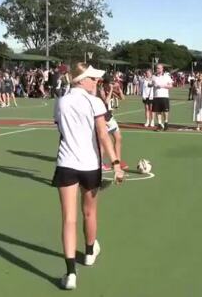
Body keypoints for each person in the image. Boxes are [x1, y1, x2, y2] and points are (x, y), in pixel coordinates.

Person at [52, 63, 124, 290]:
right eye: (92, 78)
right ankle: (90, 251)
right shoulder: (94, 102)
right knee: (89, 212)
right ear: (81, 80)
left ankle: (71, 273)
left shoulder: (61, 101)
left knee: (68, 219)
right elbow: (103, 135)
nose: (96, 82)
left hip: (66, 164)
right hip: (90, 165)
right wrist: (116, 163)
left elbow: (61, 130)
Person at [99, 76, 129, 170]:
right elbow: (106, 101)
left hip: (110, 118)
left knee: (118, 138)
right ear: (106, 84)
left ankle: (118, 161)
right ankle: (100, 163)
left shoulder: (111, 90)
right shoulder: (101, 90)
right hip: (103, 119)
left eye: (113, 83)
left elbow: (123, 98)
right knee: (104, 142)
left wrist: (119, 89)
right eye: (111, 83)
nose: (112, 85)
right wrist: (111, 90)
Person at [152, 64, 173, 131]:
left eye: (159, 68)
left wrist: (162, 86)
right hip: (156, 96)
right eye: (157, 68)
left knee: (165, 111)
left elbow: (171, 86)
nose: (157, 69)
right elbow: (152, 84)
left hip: (164, 96)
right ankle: (159, 124)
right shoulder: (154, 76)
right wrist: (153, 85)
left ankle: (166, 123)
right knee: (158, 111)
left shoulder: (167, 76)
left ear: (162, 69)